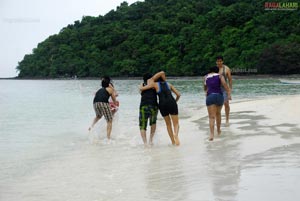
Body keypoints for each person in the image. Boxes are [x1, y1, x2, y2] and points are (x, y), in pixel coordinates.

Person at [140, 71, 181, 146]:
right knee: (176, 123)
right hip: (171, 102)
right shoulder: (169, 84)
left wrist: (141, 87)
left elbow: (143, 89)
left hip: (162, 105)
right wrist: (175, 102)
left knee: (168, 124)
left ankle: (173, 142)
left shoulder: (154, 85)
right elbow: (178, 94)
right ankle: (176, 135)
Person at [204, 66, 231, 141]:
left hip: (210, 97)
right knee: (218, 113)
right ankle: (218, 130)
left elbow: (205, 88)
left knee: (211, 117)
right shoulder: (220, 76)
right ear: (217, 71)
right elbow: (225, 85)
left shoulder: (205, 77)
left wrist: (206, 93)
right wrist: (229, 94)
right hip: (219, 96)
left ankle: (212, 134)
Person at [139, 73, 159, 146]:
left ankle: (145, 143)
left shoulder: (142, 85)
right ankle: (151, 140)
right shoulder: (154, 85)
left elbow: (140, 92)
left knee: (142, 125)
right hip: (153, 105)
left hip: (143, 106)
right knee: (153, 123)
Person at [216, 56, 232, 126]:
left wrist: (230, 90)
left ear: (222, 61)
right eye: (218, 61)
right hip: (216, 89)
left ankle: (227, 119)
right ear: (216, 62)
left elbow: (230, 80)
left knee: (226, 104)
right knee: (217, 106)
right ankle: (218, 120)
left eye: (220, 61)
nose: (219, 62)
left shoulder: (226, 69)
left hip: (225, 89)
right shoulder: (215, 69)